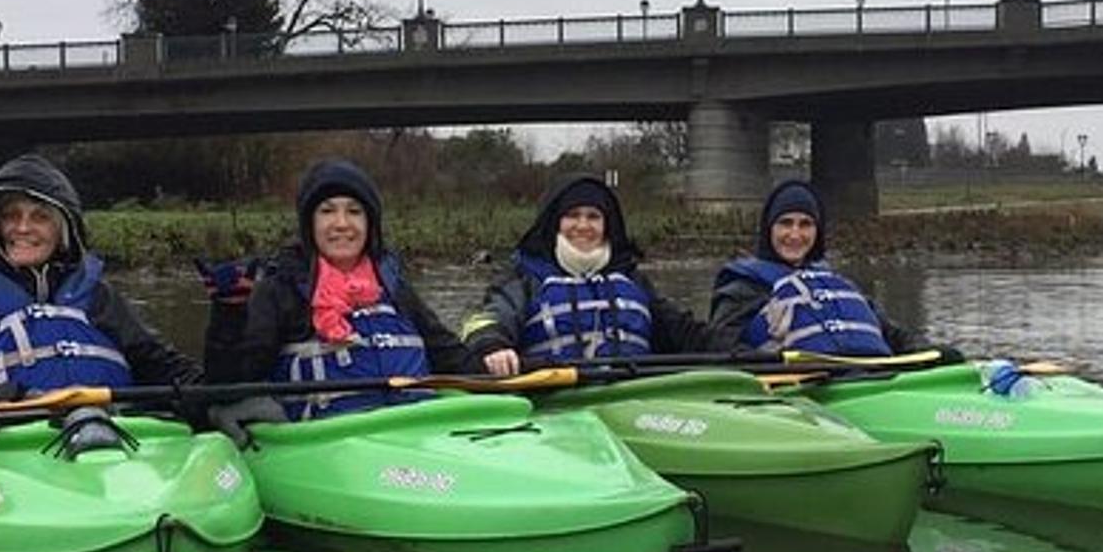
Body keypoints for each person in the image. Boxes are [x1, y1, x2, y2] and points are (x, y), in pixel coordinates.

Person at [0, 152, 205, 404]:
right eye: (10, 215)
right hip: (13, 441)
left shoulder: (100, 297)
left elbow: (157, 364)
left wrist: (209, 393)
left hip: (114, 435)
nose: (22, 228)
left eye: (40, 217)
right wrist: (14, 399)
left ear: (64, 231)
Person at [206, 158, 476, 420]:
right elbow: (229, 382)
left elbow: (453, 358)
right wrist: (229, 315)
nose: (342, 223)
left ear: (370, 224)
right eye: (327, 211)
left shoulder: (396, 288)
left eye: (354, 211)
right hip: (325, 445)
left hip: (413, 433)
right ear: (309, 224)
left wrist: (497, 355)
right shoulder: (279, 291)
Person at [463, 174, 714, 376]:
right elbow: (487, 320)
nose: (583, 226)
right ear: (555, 223)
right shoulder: (525, 278)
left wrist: (732, 347)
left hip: (634, 398)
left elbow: (683, 331)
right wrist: (492, 346)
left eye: (593, 217)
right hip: (552, 402)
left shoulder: (631, 278)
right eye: (572, 216)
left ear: (606, 225)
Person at [709, 179, 952, 358]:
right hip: (793, 391)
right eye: (785, 223)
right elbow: (719, 346)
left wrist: (930, 351)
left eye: (806, 225)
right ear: (769, 229)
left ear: (818, 231)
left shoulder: (831, 282)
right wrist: (765, 359)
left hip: (862, 379)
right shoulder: (742, 290)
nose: (795, 235)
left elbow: (892, 333)